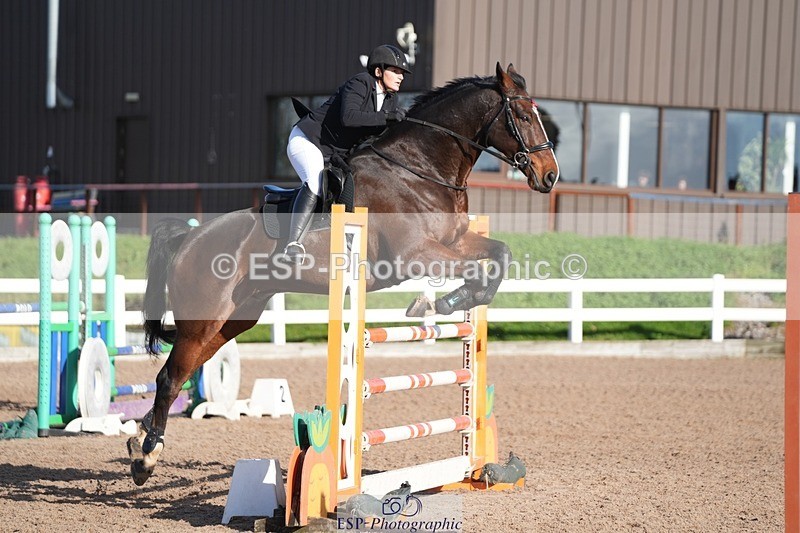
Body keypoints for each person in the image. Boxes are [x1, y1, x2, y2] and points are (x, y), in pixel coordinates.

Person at [283, 44, 411, 263]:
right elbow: (349, 117)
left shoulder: (390, 99)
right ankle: (292, 245)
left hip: (334, 152)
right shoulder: (361, 82)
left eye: (402, 73)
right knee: (316, 183)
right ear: (379, 71)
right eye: (396, 71)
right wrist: (388, 119)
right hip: (307, 140)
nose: (400, 77)